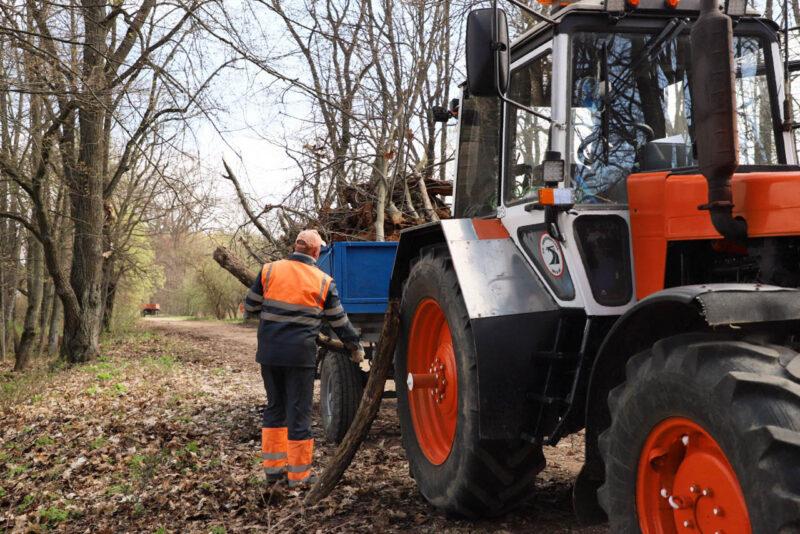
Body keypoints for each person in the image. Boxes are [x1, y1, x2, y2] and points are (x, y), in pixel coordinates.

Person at [243, 229, 364, 488]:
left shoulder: (269, 270)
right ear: (316, 252)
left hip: (270, 353)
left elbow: (251, 306)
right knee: (299, 412)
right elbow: (339, 322)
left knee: (275, 408)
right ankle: (299, 477)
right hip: (300, 355)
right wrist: (354, 345)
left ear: (295, 247)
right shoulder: (323, 281)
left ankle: (273, 472)